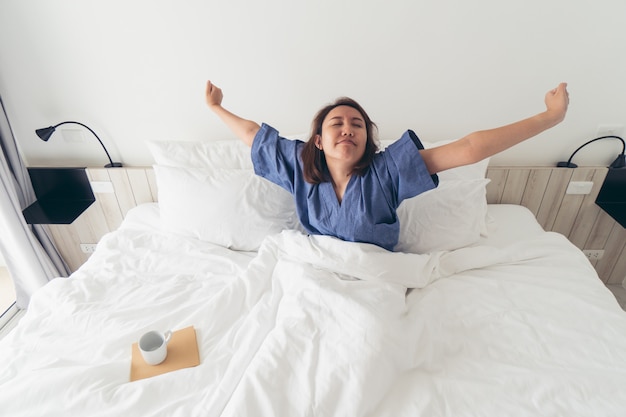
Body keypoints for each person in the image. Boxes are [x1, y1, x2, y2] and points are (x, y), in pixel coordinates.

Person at [205, 80, 569, 251]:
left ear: (368, 141)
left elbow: (470, 149)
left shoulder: (388, 171)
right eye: (337, 124)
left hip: (375, 278)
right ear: (318, 140)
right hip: (316, 270)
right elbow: (254, 134)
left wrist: (548, 119)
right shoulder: (300, 166)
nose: (347, 129)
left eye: (357, 125)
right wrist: (217, 108)